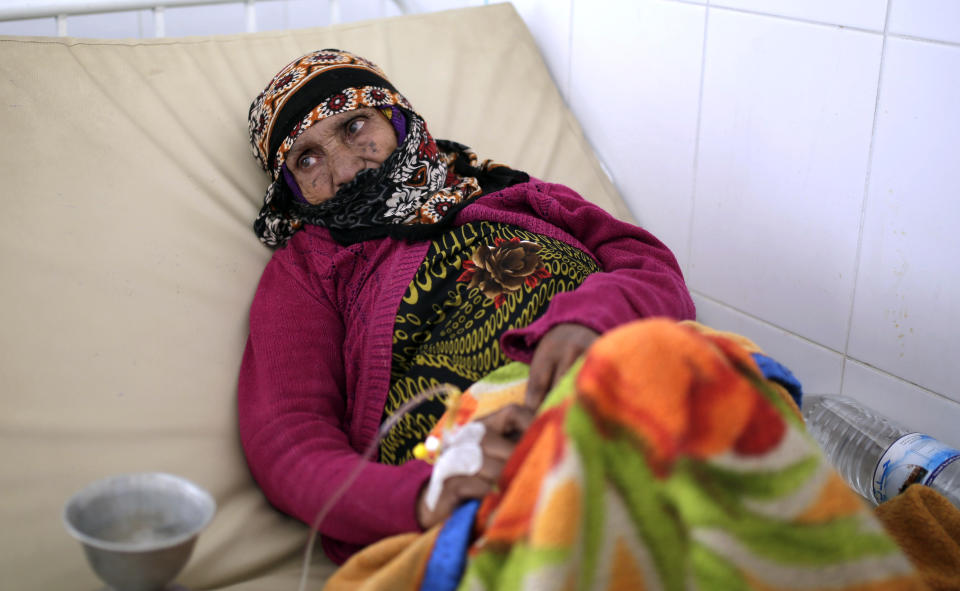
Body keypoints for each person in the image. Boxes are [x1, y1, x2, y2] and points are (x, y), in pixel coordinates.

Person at [237, 49, 696, 564]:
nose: (344, 170)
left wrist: (587, 322)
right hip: (475, 474)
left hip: (618, 386)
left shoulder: (510, 191)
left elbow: (651, 267)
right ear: (290, 190)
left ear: (395, 114)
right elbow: (286, 439)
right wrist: (422, 495)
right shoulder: (310, 267)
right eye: (308, 159)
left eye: (354, 125)